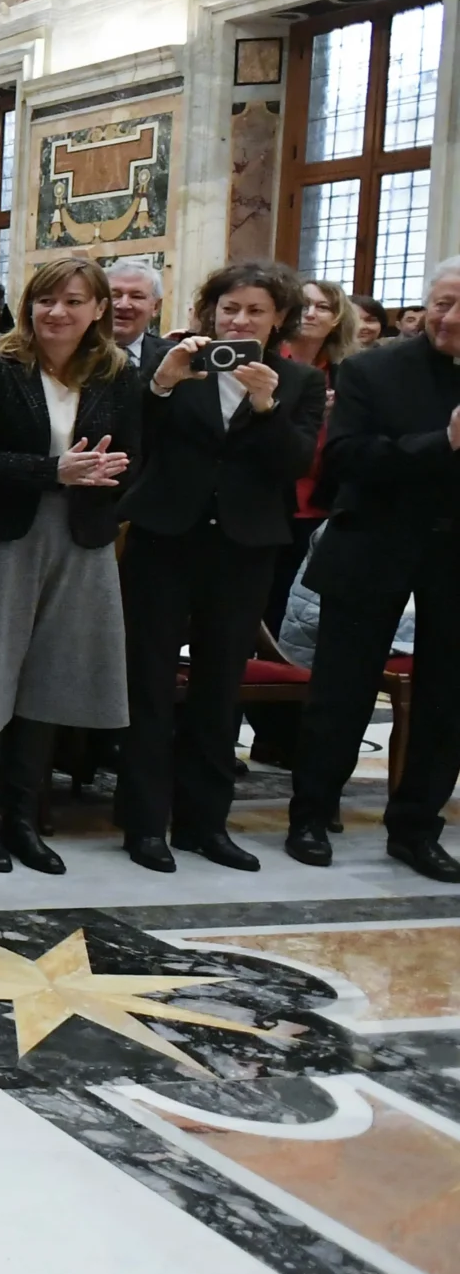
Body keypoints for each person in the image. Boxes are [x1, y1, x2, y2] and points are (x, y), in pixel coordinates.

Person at [0, 258, 145, 875]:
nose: (57, 313)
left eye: (74, 302)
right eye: (46, 300)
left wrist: (104, 483)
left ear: (99, 309)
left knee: (53, 676)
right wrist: (50, 472)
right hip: (7, 533)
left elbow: (138, 456)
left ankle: (26, 819)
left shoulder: (118, 374)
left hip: (83, 537)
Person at [118, 261, 325, 872]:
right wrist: (159, 386)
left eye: (255, 311)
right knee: (150, 682)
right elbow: (136, 438)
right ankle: (145, 822)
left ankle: (205, 823)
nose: (240, 320)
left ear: (278, 318)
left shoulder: (298, 382)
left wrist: (266, 406)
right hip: (164, 538)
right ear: (211, 311)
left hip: (244, 546)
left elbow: (294, 464)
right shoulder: (177, 363)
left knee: (218, 687)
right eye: (230, 308)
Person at [287, 260, 460, 881]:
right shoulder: (373, 368)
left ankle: (416, 828)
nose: (450, 317)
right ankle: (310, 814)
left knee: (448, 701)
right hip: (374, 544)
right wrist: (442, 444)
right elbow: (346, 460)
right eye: (442, 302)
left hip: (454, 556)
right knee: (341, 692)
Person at [268, 274, 362, 631]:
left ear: (337, 318)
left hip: (322, 501)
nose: (311, 314)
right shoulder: (271, 361)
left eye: (323, 307)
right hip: (274, 497)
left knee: (299, 605)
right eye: (304, 305)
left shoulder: (349, 372)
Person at [107, 259, 174, 372]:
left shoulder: (173, 358)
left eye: (136, 296)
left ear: (156, 307)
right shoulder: (73, 353)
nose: (123, 305)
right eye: (115, 295)